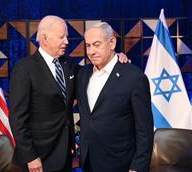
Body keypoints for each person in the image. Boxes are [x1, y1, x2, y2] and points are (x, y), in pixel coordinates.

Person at [77, 22, 154, 172]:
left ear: (112, 42)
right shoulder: (83, 74)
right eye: (88, 45)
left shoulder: (134, 77)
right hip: (88, 161)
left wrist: (138, 166)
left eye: (97, 44)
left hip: (120, 163)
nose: (91, 51)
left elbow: (144, 130)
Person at [9, 15, 77, 172]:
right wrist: (30, 156)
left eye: (66, 36)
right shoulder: (24, 69)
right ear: (45, 38)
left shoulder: (69, 65)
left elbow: (91, 74)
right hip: (39, 157)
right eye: (62, 37)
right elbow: (17, 118)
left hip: (65, 154)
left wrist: (117, 59)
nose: (66, 41)